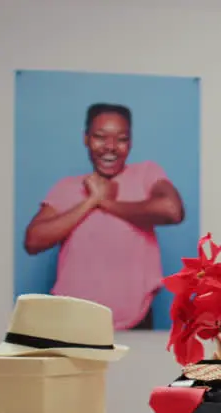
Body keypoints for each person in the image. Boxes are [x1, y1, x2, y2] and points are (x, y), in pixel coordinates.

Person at [23, 103, 186, 330]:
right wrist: (90, 201)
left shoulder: (146, 174)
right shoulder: (67, 187)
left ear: (130, 141)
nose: (110, 147)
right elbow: (33, 241)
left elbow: (172, 210)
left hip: (135, 322)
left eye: (121, 139)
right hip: (72, 321)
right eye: (100, 137)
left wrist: (105, 201)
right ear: (86, 138)